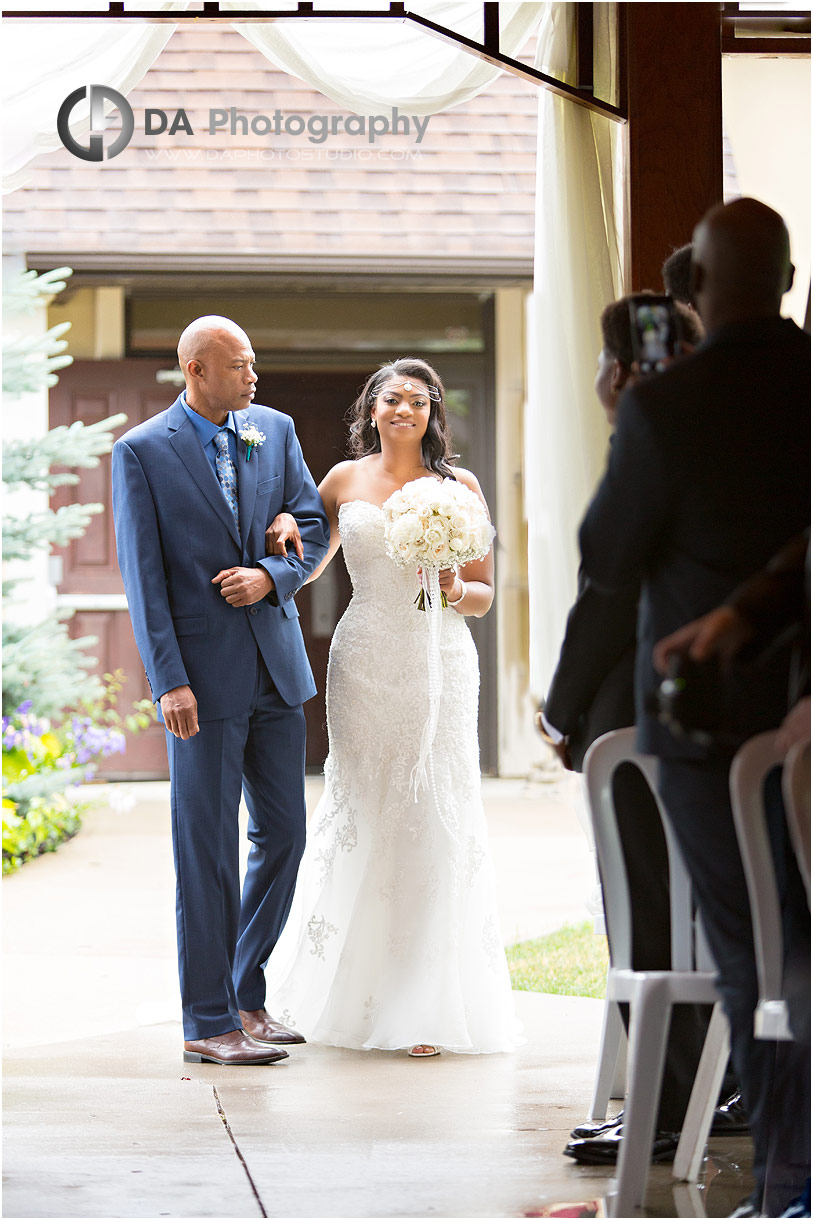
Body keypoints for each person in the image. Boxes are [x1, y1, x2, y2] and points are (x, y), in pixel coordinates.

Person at [578, 199, 810, 1215]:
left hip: (708, 719)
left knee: (756, 952)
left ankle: (788, 1179)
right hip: (804, 707)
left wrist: (631, 412)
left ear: (699, 292)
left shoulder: (669, 406)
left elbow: (606, 557)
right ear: (791, 279)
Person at [260, 357, 521, 1057]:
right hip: (366, 658)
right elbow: (310, 560)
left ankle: (426, 1002)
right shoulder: (344, 480)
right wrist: (284, 532)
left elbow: (483, 594)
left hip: (440, 660)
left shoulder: (458, 488)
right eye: (391, 398)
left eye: (417, 400)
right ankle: (347, 989)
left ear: (434, 413)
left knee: (435, 809)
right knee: (364, 805)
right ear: (371, 409)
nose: (404, 409)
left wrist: (448, 586)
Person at [538, 297, 743, 1167]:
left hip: (630, 711)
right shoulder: (721, 437)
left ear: (620, 372)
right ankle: (700, 1094)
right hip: (704, 709)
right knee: (689, 912)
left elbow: (607, 589)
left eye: (597, 362)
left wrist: (557, 705)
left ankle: (662, 1107)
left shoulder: (649, 442)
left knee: (646, 912)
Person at [112, 315, 330, 1066]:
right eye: (239, 365)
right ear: (195, 371)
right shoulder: (141, 453)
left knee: (286, 836)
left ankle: (246, 993)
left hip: (276, 668)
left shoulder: (273, 426)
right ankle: (208, 1022)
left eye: (253, 362)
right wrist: (167, 679)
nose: (254, 375)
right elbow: (143, 580)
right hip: (200, 684)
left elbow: (313, 520)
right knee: (204, 848)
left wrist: (273, 573)